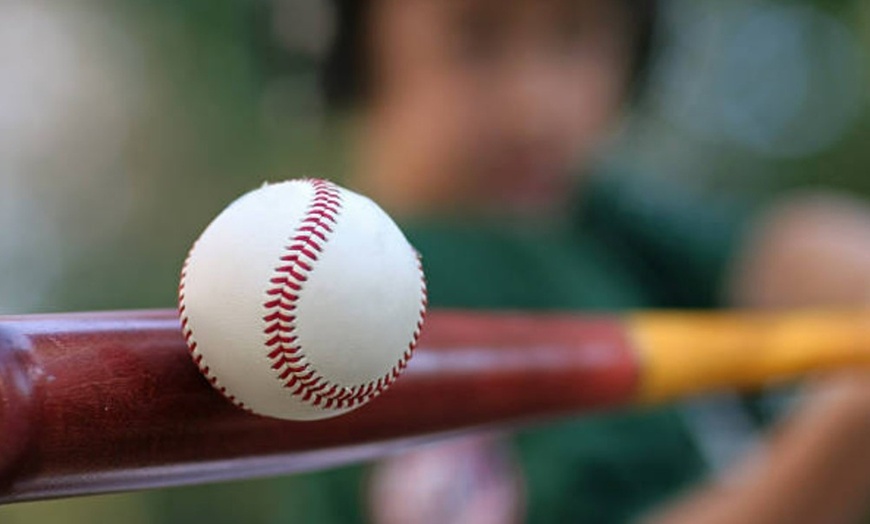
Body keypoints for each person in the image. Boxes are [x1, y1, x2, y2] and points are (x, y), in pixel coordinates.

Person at [316, 0, 870, 522]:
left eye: (575, 33)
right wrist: (845, 434)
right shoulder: (376, 298)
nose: (533, 107)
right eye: (474, 36)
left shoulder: (588, 220)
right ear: (355, 51)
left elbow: (784, 253)